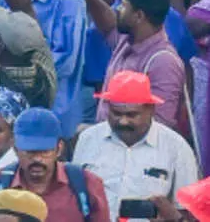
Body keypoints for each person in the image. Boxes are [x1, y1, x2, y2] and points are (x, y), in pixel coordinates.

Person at [72, 71, 198, 219]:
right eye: (116, 113)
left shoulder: (176, 148)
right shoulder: (88, 139)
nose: (123, 121)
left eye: (131, 115)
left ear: (151, 110)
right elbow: (73, 196)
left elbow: (188, 213)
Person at [0, 106, 111, 222]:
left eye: (45, 152)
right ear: (15, 149)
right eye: (30, 152)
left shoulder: (87, 185)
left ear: (59, 149)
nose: (37, 159)